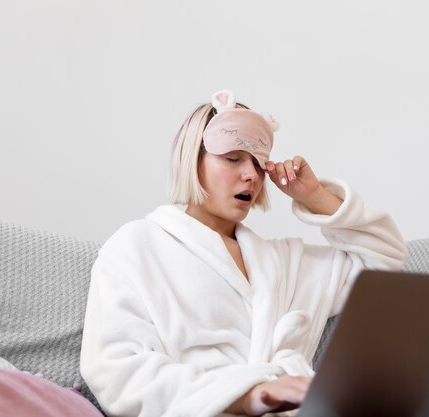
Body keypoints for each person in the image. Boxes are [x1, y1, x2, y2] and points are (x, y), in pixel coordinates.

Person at [80, 90, 408, 417]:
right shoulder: (137, 246)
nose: (251, 174)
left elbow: (383, 262)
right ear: (192, 161)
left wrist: (316, 196)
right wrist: (245, 394)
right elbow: (115, 369)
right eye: (233, 158)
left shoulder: (283, 262)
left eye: (258, 163)